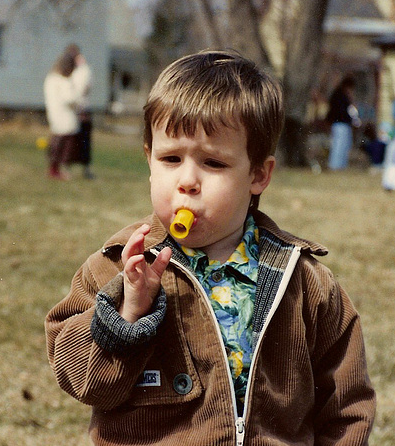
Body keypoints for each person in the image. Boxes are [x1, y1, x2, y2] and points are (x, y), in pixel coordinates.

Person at [45, 50, 376, 445]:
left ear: (257, 175)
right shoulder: (114, 269)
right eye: (170, 158)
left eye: (213, 164)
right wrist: (126, 314)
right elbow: (82, 380)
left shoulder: (304, 282)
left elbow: (346, 407)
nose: (187, 181)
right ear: (149, 160)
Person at [43, 50, 80, 180]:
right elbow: (69, 98)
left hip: (55, 113)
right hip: (64, 115)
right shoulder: (62, 81)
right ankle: (57, 169)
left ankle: (54, 168)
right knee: (62, 143)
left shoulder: (51, 78)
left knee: (57, 141)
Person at [66, 43, 95, 179]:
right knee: (70, 140)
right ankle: (66, 167)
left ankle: (86, 168)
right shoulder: (69, 70)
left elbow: (85, 88)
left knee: (84, 141)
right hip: (70, 110)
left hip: (82, 108)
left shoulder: (84, 70)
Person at [326, 75, 360, 170]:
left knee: (344, 146)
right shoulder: (340, 96)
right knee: (338, 145)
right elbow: (342, 111)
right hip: (340, 124)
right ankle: (335, 165)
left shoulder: (341, 95)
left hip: (342, 124)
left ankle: (341, 166)